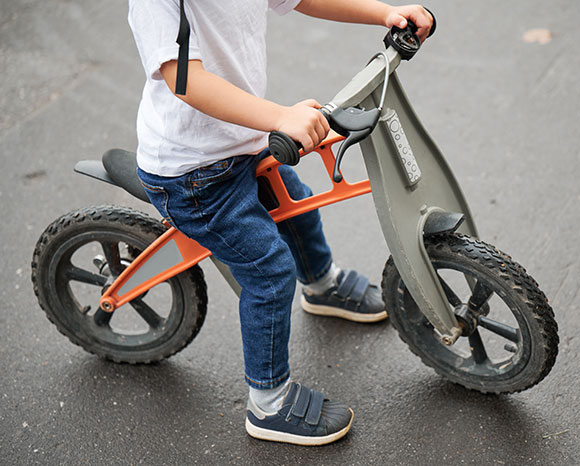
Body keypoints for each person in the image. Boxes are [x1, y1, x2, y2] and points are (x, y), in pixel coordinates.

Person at [128, 0, 433, 446]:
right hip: (193, 173)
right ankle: (268, 403)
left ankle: (322, 285)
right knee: (268, 270)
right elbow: (184, 79)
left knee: (298, 206)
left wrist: (383, 13)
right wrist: (281, 116)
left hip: (243, 143)